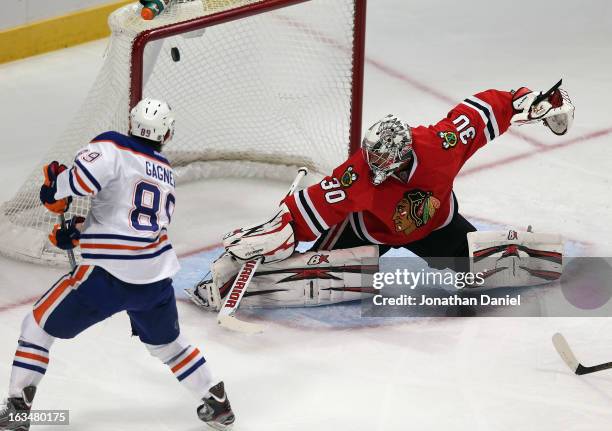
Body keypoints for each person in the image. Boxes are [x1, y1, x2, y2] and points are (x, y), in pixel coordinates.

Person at [189, 82, 574, 310]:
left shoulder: (442, 144)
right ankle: (222, 281)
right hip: (368, 230)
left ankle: (515, 254)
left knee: (475, 280)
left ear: (403, 155)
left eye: (381, 166)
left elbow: (487, 110)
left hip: (435, 226)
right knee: (307, 269)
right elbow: (308, 210)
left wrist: (530, 101)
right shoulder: (358, 175)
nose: (372, 172)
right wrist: (272, 232)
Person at [0, 99, 235, 431]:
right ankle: (216, 400)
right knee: (166, 344)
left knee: (35, 327)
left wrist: (56, 185)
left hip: (106, 278)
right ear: (166, 133)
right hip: (155, 281)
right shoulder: (165, 173)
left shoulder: (112, 144)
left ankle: (17, 410)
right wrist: (80, 230)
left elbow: (80, 183)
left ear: (131, 122)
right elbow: (129, 223)